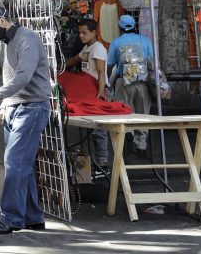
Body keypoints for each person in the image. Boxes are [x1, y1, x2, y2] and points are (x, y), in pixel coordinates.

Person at [0, 5, 52, 234]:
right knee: (21, 166)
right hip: (18, 108)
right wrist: (7, 105)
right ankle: (32, 218)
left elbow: (23, 78)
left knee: (14, 163)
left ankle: (10, 219)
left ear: (1, 20)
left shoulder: (27, 39)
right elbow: (14, 81)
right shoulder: (10, 42)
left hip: (33, 108)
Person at [106, 14, 154, 153]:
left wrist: (109, 82)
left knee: (125, 111)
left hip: (124, 82)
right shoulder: (145, 40)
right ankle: (141, 144)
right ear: (134, 26)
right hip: (143, 82)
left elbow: (110, 65)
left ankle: (129, 133)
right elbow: (151, 62)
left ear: (120, 27)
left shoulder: (116, 42)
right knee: (143, 113)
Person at [65, 19, 109, 167]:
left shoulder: (98, 48)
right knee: (88, 126)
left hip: (97, 90)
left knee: (98, 128)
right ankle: (90, 160)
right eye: (79, 33)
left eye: (84, 33)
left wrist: (101, 91)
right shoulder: (86, 49)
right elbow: (73, 61)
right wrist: (59, 67)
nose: (81, 36)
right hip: (88, 91)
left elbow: (101, 71)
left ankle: (102, 159)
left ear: (94, 33)